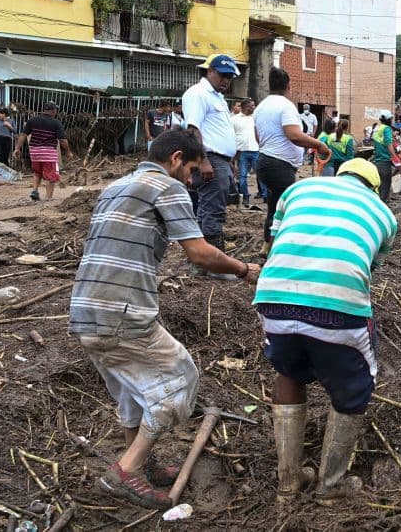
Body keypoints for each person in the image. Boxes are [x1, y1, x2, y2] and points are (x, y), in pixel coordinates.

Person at [69, 129, 260, 509]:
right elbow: (200, 253)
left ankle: (139, 462)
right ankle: (125, 472)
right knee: (180, 380)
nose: (191, 180)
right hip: (122, 311)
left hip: (85, 309)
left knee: (131, 391)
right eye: (191, 170)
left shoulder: (117, 187)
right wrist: (244, 269)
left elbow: (188, 259)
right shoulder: (165, 187)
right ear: (175, 159)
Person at [256, 158, 396, 503]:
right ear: (374, 188)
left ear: (339, 174)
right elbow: (367, 268)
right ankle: (331, 486)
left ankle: (288, 482)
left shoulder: (298, 189)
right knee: (354, 387)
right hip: (338, 304)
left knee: (288, 372)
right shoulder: (384, 215)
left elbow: (275, 243)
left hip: (273, 296)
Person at [254, 68, 330, 250]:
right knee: (285, 209)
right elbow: (294, 135)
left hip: (265, 161)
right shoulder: (285, 106)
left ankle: (267, 246)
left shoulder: (260, 107)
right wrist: (318, 144)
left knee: (274, 205)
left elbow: (258, 137)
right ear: (288, 86)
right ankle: (278, 249)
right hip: (279, 165)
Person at [181, 54, 240, 277]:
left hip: (219, 159)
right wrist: (204, 160)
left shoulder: (217, 97)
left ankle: (202, 264)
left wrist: (229, 162)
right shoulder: (199, 94)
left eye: (230, 77)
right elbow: (193, 129)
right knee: (212, 211)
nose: (227, 80)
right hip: (209, 158)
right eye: (224, 75)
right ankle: (215, 265)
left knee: (206, 210)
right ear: (210, 72)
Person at [14, 101, 72, 202]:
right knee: (51, 176)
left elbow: (23, 135)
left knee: (37, 172)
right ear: (54, 111)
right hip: (48, 153)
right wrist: (68, 151)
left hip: (34, 152)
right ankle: (48, 198)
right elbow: (62, 140)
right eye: (56, 110)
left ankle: (35, 191)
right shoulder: (56, 123)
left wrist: (17, 148)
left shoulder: (32, 120)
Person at [232, 98, 263, 209]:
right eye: (251, 105)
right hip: (242, 151)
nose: (253, 107)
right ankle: (245, 196)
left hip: (256, 150)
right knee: (243, 176)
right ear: (245, 107)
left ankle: (264, 195)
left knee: (261, 175)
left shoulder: (256, 118)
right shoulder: (234, 119)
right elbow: (231, 136)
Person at [371, 111, 399, 202]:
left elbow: (381, 142)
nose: (391, 120)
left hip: (377, 161)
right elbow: (388, 143)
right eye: (391, 119)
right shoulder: (386, 129)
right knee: (384, 188)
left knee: (378, 188)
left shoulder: (377, 128)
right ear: (387, 119)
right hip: (385, 162)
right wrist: (394, 157)